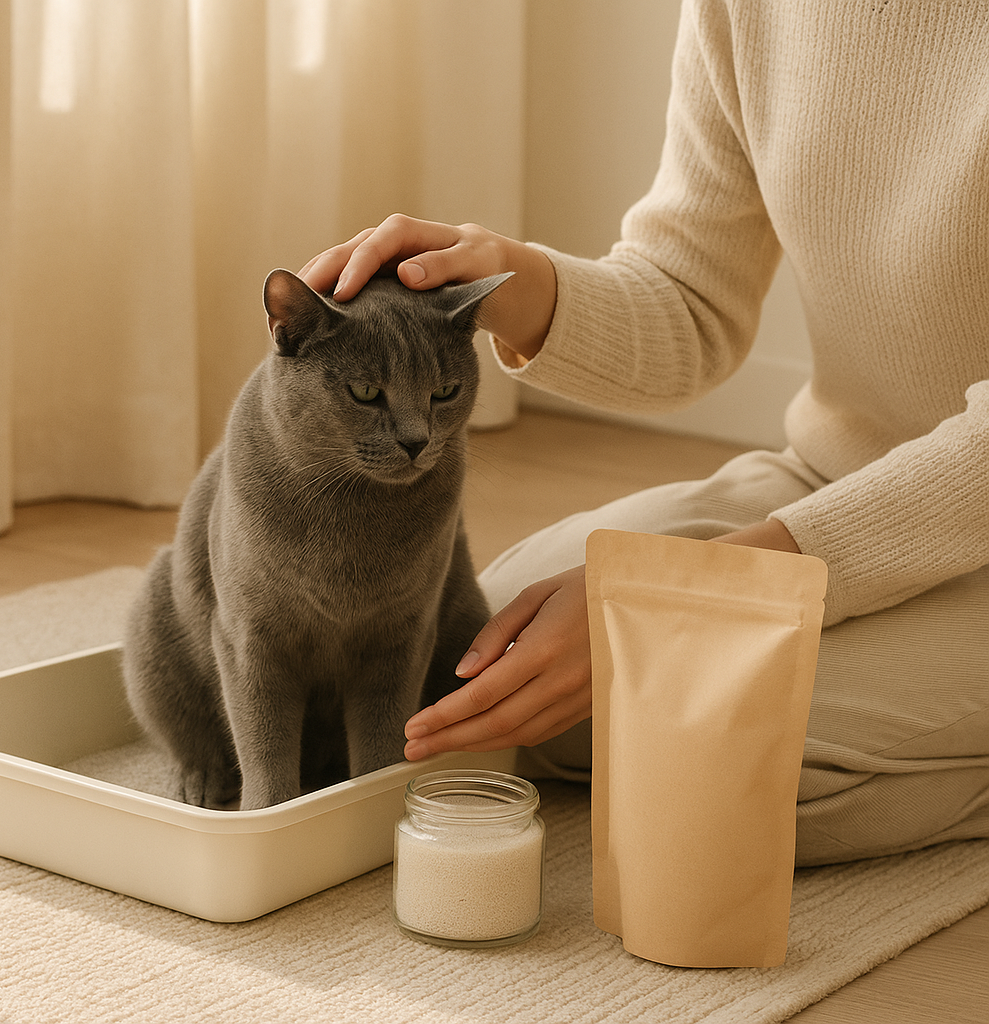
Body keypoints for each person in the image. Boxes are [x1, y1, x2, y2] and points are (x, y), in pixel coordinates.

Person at [301, 0, 989, 866]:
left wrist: (698, 592)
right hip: (832, 479)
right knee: (475, 666)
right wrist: (518, 287)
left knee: (702, 758)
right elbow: (691, 298)